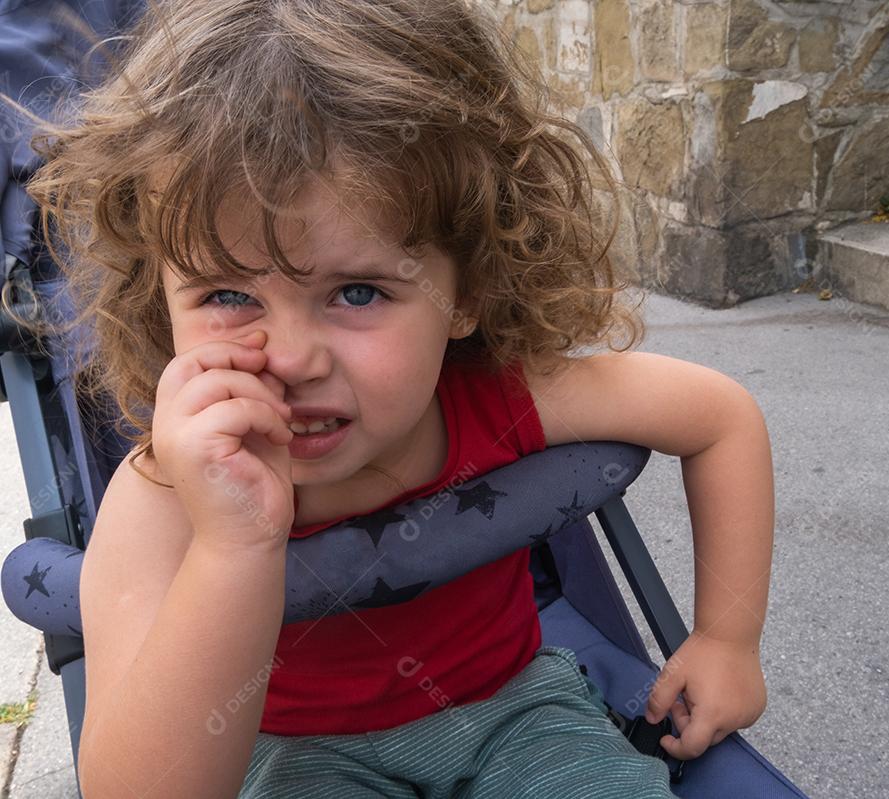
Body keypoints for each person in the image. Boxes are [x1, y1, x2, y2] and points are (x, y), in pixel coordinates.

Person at [12, 1, 775, 796]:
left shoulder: (497, 398)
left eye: (359, 291)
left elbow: (719, 418)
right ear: (158, 293)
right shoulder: (165, 490)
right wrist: (230, 547)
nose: (294, 357)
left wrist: (728, 638)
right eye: (228, 295)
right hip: (292, 754)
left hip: (516, 712)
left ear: (467, 288)